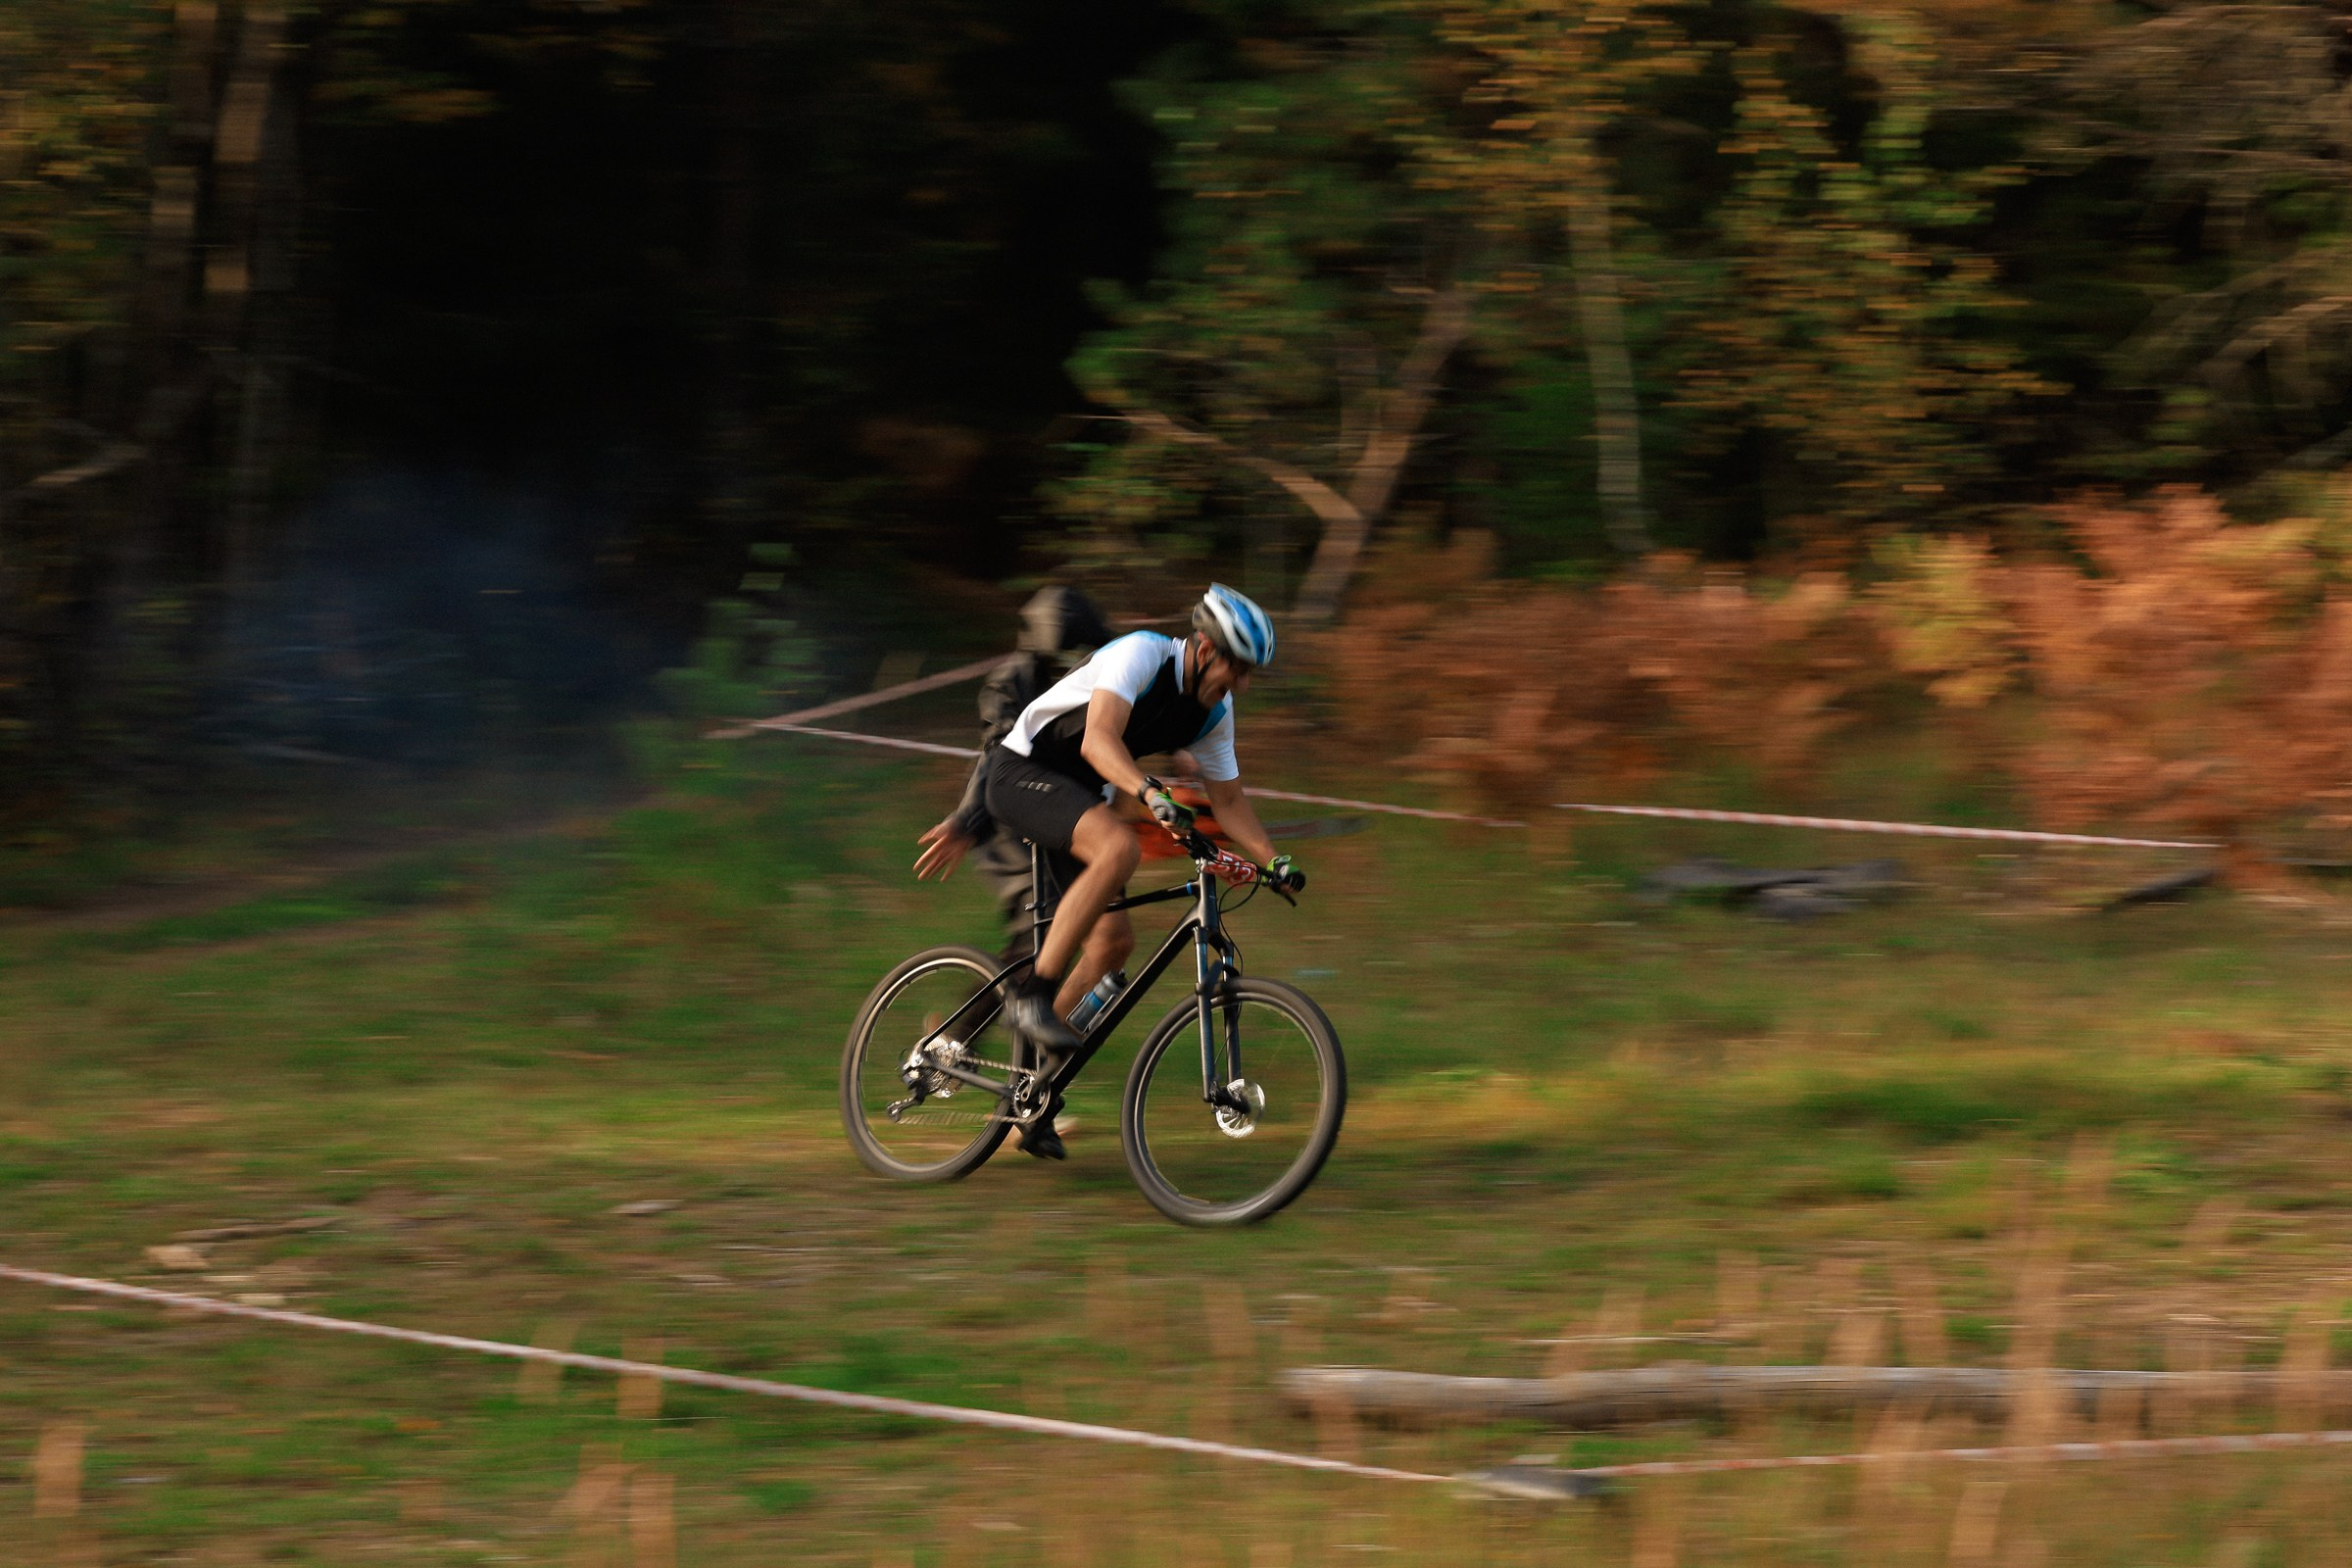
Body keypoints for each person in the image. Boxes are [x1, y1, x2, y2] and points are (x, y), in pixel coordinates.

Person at [913, 583, 1295, 1160]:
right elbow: (1098, 741)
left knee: (1113, 942)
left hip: (1078, 796)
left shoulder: (1215, 712)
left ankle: (1031, 1089)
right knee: (1119, 847)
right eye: (1236, 668)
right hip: (1021, 773)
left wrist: (1275, 862)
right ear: (1203, 647)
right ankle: (1033, 995)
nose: (1240, 684)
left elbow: (1232, 802)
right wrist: (1150, 792)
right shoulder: (1140, 654)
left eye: (1248, 674)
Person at [929, 585, 1113, 958]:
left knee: (1093, 932)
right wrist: (966, 821)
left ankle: (1060, 1014)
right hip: (1004, 817)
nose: (1070, 663)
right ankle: (968, 1021)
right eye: (1062, 653)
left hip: (1058, 806)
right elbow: (997, 754)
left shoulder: (1094, 674)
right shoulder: (1010, 682)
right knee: (1040, 930)